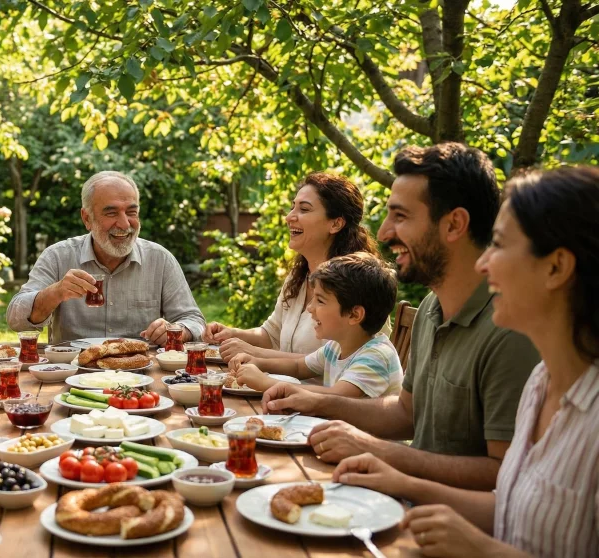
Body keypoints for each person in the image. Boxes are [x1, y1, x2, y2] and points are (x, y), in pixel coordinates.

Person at [331, 167, 599, 557]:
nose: (483, 263)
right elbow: (513, 509)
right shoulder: (542, 382)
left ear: (555, 268)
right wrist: (404, 483)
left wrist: (481, 549)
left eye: (500, 245)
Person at [261, 143, 540, 490]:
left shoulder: (509, 329)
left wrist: (377, 450)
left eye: (401, 216)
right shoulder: (431, 310)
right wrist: (318, 402)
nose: (383, 233)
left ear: (454, 224)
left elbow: (505, 475)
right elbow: (406, 413)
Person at [203, 172, 385, 362]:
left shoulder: (356, 284)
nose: (289, 217)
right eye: (292, 208)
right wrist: (231, 333)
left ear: (336, 223)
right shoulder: (299, 276)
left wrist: (252, 352)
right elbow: (272, 334)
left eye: (304, 209)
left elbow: (330, 363)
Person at [6, 171, 205, 344]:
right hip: (72, 368)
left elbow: (193, 319)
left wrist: (177, 330)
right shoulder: (58, 256)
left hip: (139, 369)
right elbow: (16, 320)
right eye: (111, 213)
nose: (124, 224)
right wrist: (55, 292)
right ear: (87, 218)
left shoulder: (160, 259)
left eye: (131, 212)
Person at [231, 252, 402, 398]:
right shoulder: (335, 347)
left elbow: (335, 398)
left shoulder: (376, 357)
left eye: (320, 300)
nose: (310, 308)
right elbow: (298, 367)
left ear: (354, 315)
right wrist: (257, 362)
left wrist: (267, 383)